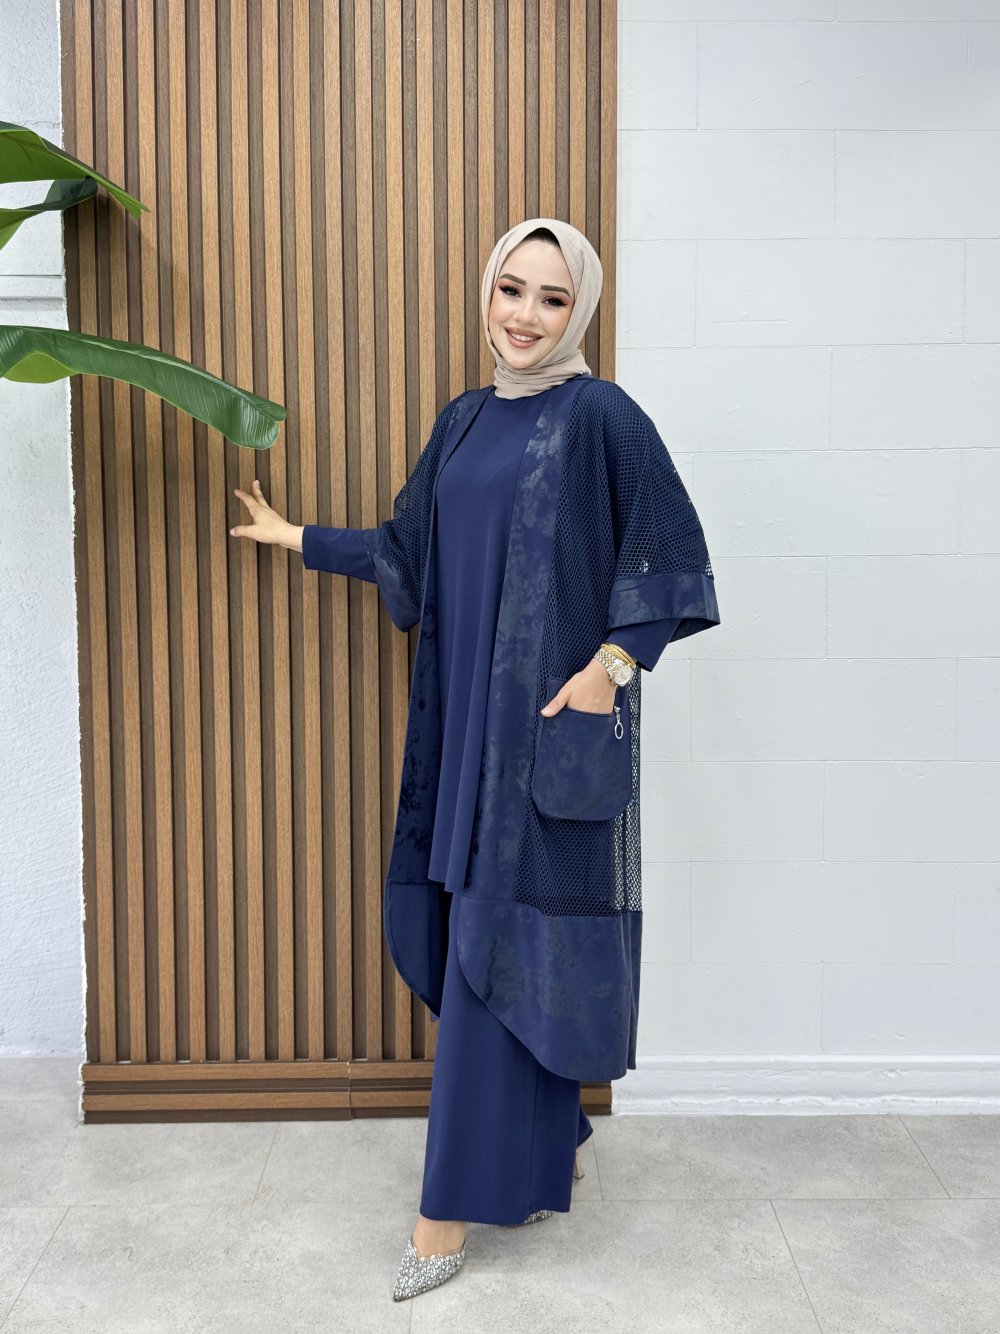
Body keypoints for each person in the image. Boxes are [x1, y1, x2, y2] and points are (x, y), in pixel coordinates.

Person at [231, 217, 720, 1301]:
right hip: (459, 738)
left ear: (579, 310)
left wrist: (610, 669)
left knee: (499, 948)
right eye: (511, 288)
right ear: (486, 293)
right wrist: (297, 537)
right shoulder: (461, 421)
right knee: (478, 941)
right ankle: (546, 1153)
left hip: (540, 738)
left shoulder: (600, 415)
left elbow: (672, 555)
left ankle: (441, 1217)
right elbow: (408, 555)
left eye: (553, 297)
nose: (526, 315)